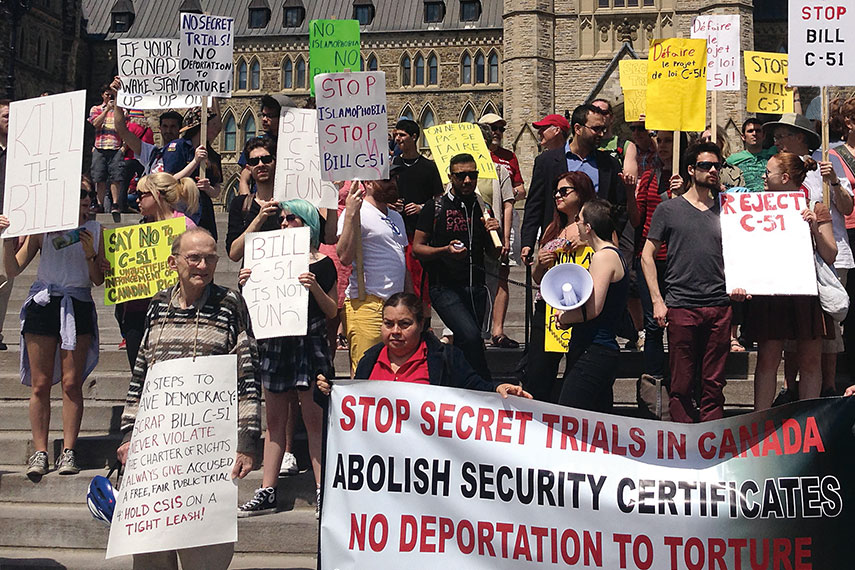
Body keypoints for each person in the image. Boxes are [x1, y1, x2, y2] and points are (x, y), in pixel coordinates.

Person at [116, 228, 260, 569]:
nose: (203, 265)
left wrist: (247, 440)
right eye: (194, 257)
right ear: (173, 262)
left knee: (205, 555)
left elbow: (247, 376)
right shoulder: (157, 307)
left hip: (207, 453)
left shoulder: (230, 305)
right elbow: (141, 375)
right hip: (157, 454)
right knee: (152, 556)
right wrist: (128, 433)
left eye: (210, 257)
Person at [237, 200, 336, 518]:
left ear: (306, 223)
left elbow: (333, 310)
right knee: (275, 421)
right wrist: (247, 286)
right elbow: (255, 306)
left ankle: (323, 490)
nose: (283, 224)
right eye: (281, 219)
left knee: (314, 420)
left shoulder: (322, 263)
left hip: (310, 343)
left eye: (290, 218)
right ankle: (268, 489)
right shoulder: (266, 259)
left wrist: (315, 288)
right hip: (276, 344)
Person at [3, 181, 105, 477]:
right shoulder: (42, 230)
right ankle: (40, 451)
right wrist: (8, 241)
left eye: (87, 194)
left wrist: (89, 254)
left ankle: (69, 451)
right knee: (40, 383)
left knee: (72, 383)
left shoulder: (97, 231)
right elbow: (13, 269)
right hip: (44, 303)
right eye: (79, 193)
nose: (85, 199)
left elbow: (98, 279)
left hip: (78, 303)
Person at [641, 142, 733, 423]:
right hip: (681, 305)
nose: (713, 170)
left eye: (718, 165)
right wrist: (658, 300)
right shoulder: (669, 210)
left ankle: (711, 435)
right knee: (681, 380)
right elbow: (647, 255)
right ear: (691, 170)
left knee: (714, 382)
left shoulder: (729, 209)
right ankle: (682, 437)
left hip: (720, 304)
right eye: (706, 165)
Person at [225, 136, 301, 476]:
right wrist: (259, 217)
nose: (261, 163)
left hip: (288, 299)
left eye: (267, 157)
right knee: (256, 374)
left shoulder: (293, 204)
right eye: (254, 159)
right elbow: (233, 251)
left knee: (284, 375)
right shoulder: (241, 205)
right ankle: (253, 442)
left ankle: (284, 447)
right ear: (248, 166)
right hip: (254, 300)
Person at [766, 113, 854, 397]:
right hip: (790, 260)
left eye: (782, 136)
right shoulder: (777, 168)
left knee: (826, 331)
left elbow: (848, 207)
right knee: (794, 332)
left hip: (830, 253)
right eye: (776, 137)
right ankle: (790, 386)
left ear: (800, 137)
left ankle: (827, 386)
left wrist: (835, 184)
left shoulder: (829, 161)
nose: (777, 142)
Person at [744, 153, 836, 410]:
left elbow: (830, 254)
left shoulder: (816, 207)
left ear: (785, 178)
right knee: (767, 360)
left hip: (805, 292)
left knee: (809, 361)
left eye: (768, 172)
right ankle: (759, 423)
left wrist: (814, 226)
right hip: (771, 290)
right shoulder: (755, 207)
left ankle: (808, 424)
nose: (763, 176)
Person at [316, 293, 530, 396]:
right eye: (388, 324)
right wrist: (327, 393)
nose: (395, 331)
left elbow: (476, 388)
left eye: (405, 324)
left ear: (421, 325)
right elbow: (350, 410)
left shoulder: (446, 358)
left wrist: (497, 388)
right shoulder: (370, 360)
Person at [413, 153, 502, 381]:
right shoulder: (435, 207)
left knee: (468, 342)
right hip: (445, 288)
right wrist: (444, 250)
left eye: (472, 175)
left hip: (475, 287)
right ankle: (486, 384)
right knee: (470, 336)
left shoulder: (483, 207)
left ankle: (459, 387)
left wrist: (496, 233)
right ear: (451, 176)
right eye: (461, 175)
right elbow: (418, 248)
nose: (467, 181)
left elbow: (494, 252)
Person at [521, 103, 626, 265]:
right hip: (558, 246)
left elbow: (619, 206)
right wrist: (527, 242)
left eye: (603, 129)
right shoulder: (546, 162)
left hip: (596, 248)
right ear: (578, 128)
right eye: (596, 129)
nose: (601, 134)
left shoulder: (609, 164)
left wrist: (606, 237)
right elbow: (535, 205)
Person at [114, 172, 200, 370]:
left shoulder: (185, 227)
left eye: (142, 194)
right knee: (139, 375)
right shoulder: (141, 229)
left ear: (157, 195)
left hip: (173, 312)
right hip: (137, 312)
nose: (137, 199)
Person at [526, 171, 595, 401]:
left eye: (564, 191)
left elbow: (610, 253)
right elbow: (537, 277)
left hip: (580, 308)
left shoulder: (594, 226)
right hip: (548, 308)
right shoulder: (551, 229)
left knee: (577, 374)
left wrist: (587, 240)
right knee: (538, 371)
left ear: (581, 192)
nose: (557, 195)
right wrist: (540, 262)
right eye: (555, 191)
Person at [555, 199, 629, 412]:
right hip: (598, 350)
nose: (576, 224)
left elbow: (593, 309)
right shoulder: (613, 254)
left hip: (594, 350)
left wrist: (563, 318)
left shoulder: (603, 257)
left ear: (588, 227)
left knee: (570, 416)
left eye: (579, 219)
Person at [627, 131, 687, 386]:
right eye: (659, 141)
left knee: (679, 324)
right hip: (650, 259)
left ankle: (680, 379)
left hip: (679, 259)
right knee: (653, 325)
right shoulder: (650, 177)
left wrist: (684, 193)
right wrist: (630, 192)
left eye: (668, 141)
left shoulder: (689, 180)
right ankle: (654, 381)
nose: (662, 146)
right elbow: (637, 220)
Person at [337, 166, 409, 374]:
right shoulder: (358, 213)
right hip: (367, 305)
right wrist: (350, 213)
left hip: (395, 306)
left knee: (394, 373)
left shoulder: (396, 217)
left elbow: (401, 260)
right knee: (365, 375)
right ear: (368, 184)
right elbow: (344, 255)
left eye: (394, 178)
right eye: (386, 179)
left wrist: (411, 301)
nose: (393, 183)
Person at [390, 119, 444, 317]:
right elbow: (383, 194)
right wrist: (391, 204)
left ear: (414, 137)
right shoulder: (392, 166)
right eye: (396, 135)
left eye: (402, 135)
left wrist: (422, 208)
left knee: (419, 280)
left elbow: (439, 199)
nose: (398, 139)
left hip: (418, 233)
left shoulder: (428, 167)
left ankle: (422, 322)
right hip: (395, 232)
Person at [476, 123, 517, 348]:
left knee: (492, 283)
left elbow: (508, 204)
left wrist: (505, 237)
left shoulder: (499, 170)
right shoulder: (454, 170)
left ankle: (489, 331)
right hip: (466, 236)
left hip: (492, 236)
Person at [162, 104, 223, 240]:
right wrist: (195, 161)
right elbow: (169, 180)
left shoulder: (212, 154)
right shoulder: (177, 147)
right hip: (182, 208)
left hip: (204, 212)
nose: (215, 129)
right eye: (212, 124)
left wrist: (208, 188)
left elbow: (217, 188)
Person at [479, 112, 526, 264]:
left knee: (504, 266)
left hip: (506, 215)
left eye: (501, 129)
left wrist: (508, 192)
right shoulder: (475, 156)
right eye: (494, 128)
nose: (498, 133)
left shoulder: (509, 156)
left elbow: (521, 190)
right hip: (482, 213)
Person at [237, 94, 294, 196]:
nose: (264, 119)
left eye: (270, 116)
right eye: (263, 115)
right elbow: (244, 177)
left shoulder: (298, 144)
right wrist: (247, 201)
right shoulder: (257, 143)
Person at [88, 84, 124, 213]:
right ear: (102, 95)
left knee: (116, 177)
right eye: (107, 94)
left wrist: (123, 147)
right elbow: (95, 124)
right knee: (99, 177)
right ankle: (99, 204)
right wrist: (107, 110)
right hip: (100, 146)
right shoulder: (95, 109)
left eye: (112, 95)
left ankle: (115, 204)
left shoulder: (121, 110)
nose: (109, 97)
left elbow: (125, 127)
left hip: (115, 147)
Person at [727, 118, 777, 192]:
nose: (754, 134)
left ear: (764, 135)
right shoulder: (732, 160)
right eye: (750, 131)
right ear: (743, 137)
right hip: (745, 200)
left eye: (758, 131)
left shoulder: (774, 155)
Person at [0, 99, 12, 350]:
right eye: (5, 116)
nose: (10, 121)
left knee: (4, 280)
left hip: (9, 226)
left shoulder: (21, 153)